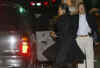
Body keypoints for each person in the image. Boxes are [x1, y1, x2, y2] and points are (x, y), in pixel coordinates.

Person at [75, 2, 100, 68]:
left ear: (85, 8)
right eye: (80, 8)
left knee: (90, 57)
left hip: (88, 38)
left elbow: (95, 28)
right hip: (78, 39)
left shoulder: (90, 16)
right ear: (78, 9)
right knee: (81, 58)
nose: (81, 9)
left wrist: (97, 39)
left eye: (82, 7)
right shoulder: (74, 18)